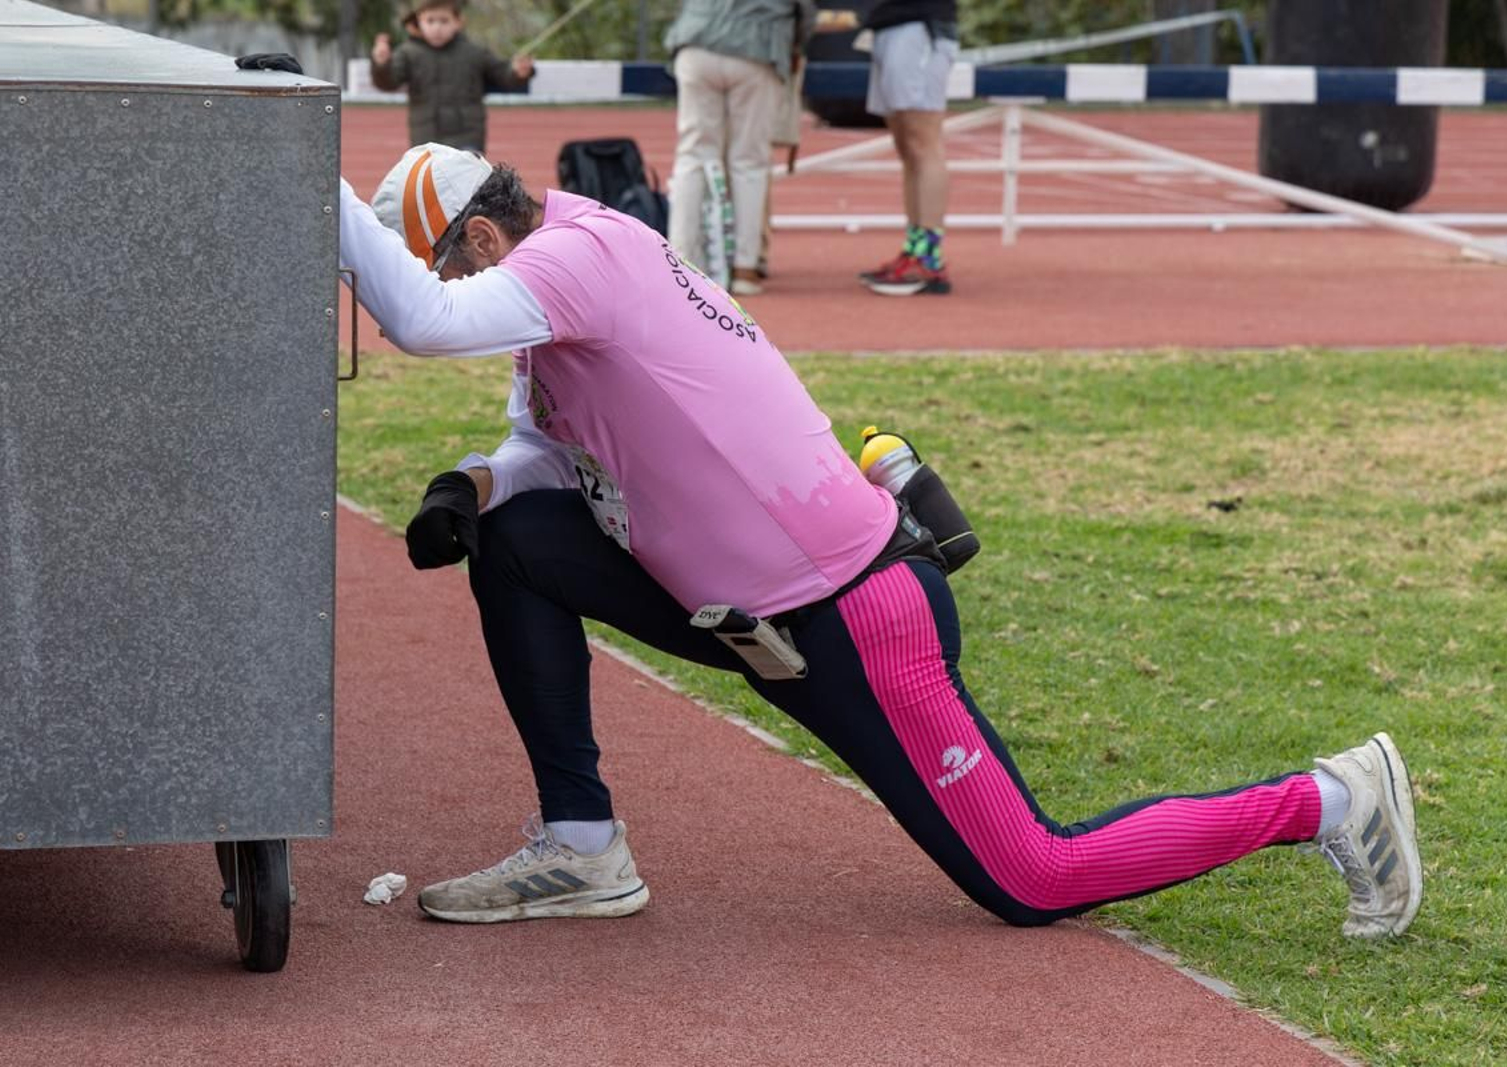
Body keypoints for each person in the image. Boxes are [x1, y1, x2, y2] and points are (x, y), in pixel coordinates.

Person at [336, 142, 1424, 937]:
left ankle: (1327, 798)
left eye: (444, 267)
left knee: (1032, 879)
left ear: (481, 238)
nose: (444, 296)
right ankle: (580, 846)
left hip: (854, 614)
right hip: (756, 607)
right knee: (518, 532)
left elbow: (426, 326)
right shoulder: (571, 251)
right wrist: (473, 480)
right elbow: (540, 446)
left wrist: (311, 172)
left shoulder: (573, 261)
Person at [663, 0, 815, 296]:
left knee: (692, 156)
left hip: (697, 40)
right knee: (749, 161)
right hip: (759, 47)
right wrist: (797, 44)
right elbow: (805, 11)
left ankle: (680, 261)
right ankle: (746, 268)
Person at [856, 0, 958, 296]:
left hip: (922, 26)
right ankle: (914, 249)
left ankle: (930, 259)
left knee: (922, 141)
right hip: (888, 24)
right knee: (907, 148)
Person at [370, 0, 534, 153]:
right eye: (430, 21)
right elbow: (388, 82)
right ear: (418, 21)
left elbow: (502, 75)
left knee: (468, 181)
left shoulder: (474, 52)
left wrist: (518, 72)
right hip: (426, 138)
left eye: (444, 21)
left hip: (468, 138)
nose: (437, 27)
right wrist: (382, 63)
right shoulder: (408, 53)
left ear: (458, 22)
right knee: (429, 182)